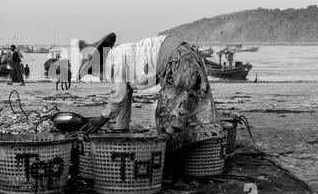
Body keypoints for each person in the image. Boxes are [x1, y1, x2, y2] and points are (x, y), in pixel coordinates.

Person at [79, 34, 217, 151]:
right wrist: (121, 131)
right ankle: (204, 150)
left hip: (176, 58)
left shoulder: (114, 62)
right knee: (196, 107)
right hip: (187, 53)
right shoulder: (122, 55)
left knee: (168, 118)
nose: (100, 78)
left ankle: (171, 164)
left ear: (98, 65)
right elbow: (124, 97)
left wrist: (100, 121)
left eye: (96, 74)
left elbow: (118, 97)